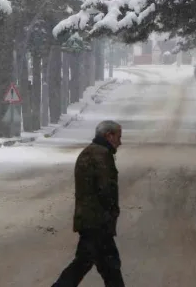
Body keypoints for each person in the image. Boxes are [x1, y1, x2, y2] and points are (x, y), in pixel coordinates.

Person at [52, 120, 124, 287]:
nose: (120, 142)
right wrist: (112, 211)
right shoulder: (101, 155)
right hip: (97, 222)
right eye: (118, 137)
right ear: (109, 135)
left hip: (91, 220)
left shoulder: (90, 152)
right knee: (86, 264)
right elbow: (106, 190)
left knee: (108, 266)